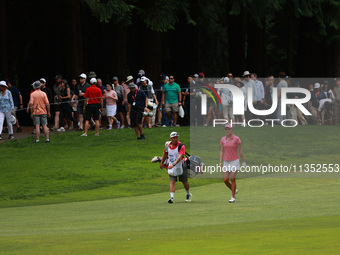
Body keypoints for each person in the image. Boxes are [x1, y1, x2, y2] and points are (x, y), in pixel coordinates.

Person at [160, 131, 191, 203]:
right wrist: (162, 162)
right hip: (171, 166)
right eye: (174, 138)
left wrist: (173, 164)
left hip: (181, 165)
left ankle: (188, 193)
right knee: (172, 181)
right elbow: (165, 154)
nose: (175, 139)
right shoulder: (167, 145)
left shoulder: (181, 146)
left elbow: (180, 156)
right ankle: (172, 198)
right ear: (171, 138)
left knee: (184, 181)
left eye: (176, 137)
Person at [219, 124, 246, 203]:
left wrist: (243, 161)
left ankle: (233, 197)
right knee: (225, 180)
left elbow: (240, 151)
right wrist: (220, 162)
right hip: (226, 161)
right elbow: (221, 151)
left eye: (229, 129)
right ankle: (234, 189)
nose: (227, 131)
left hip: (235, 161)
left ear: (232, 130)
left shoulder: (236, 139)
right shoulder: (223, 139)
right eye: (226, 129)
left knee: (232, 178)